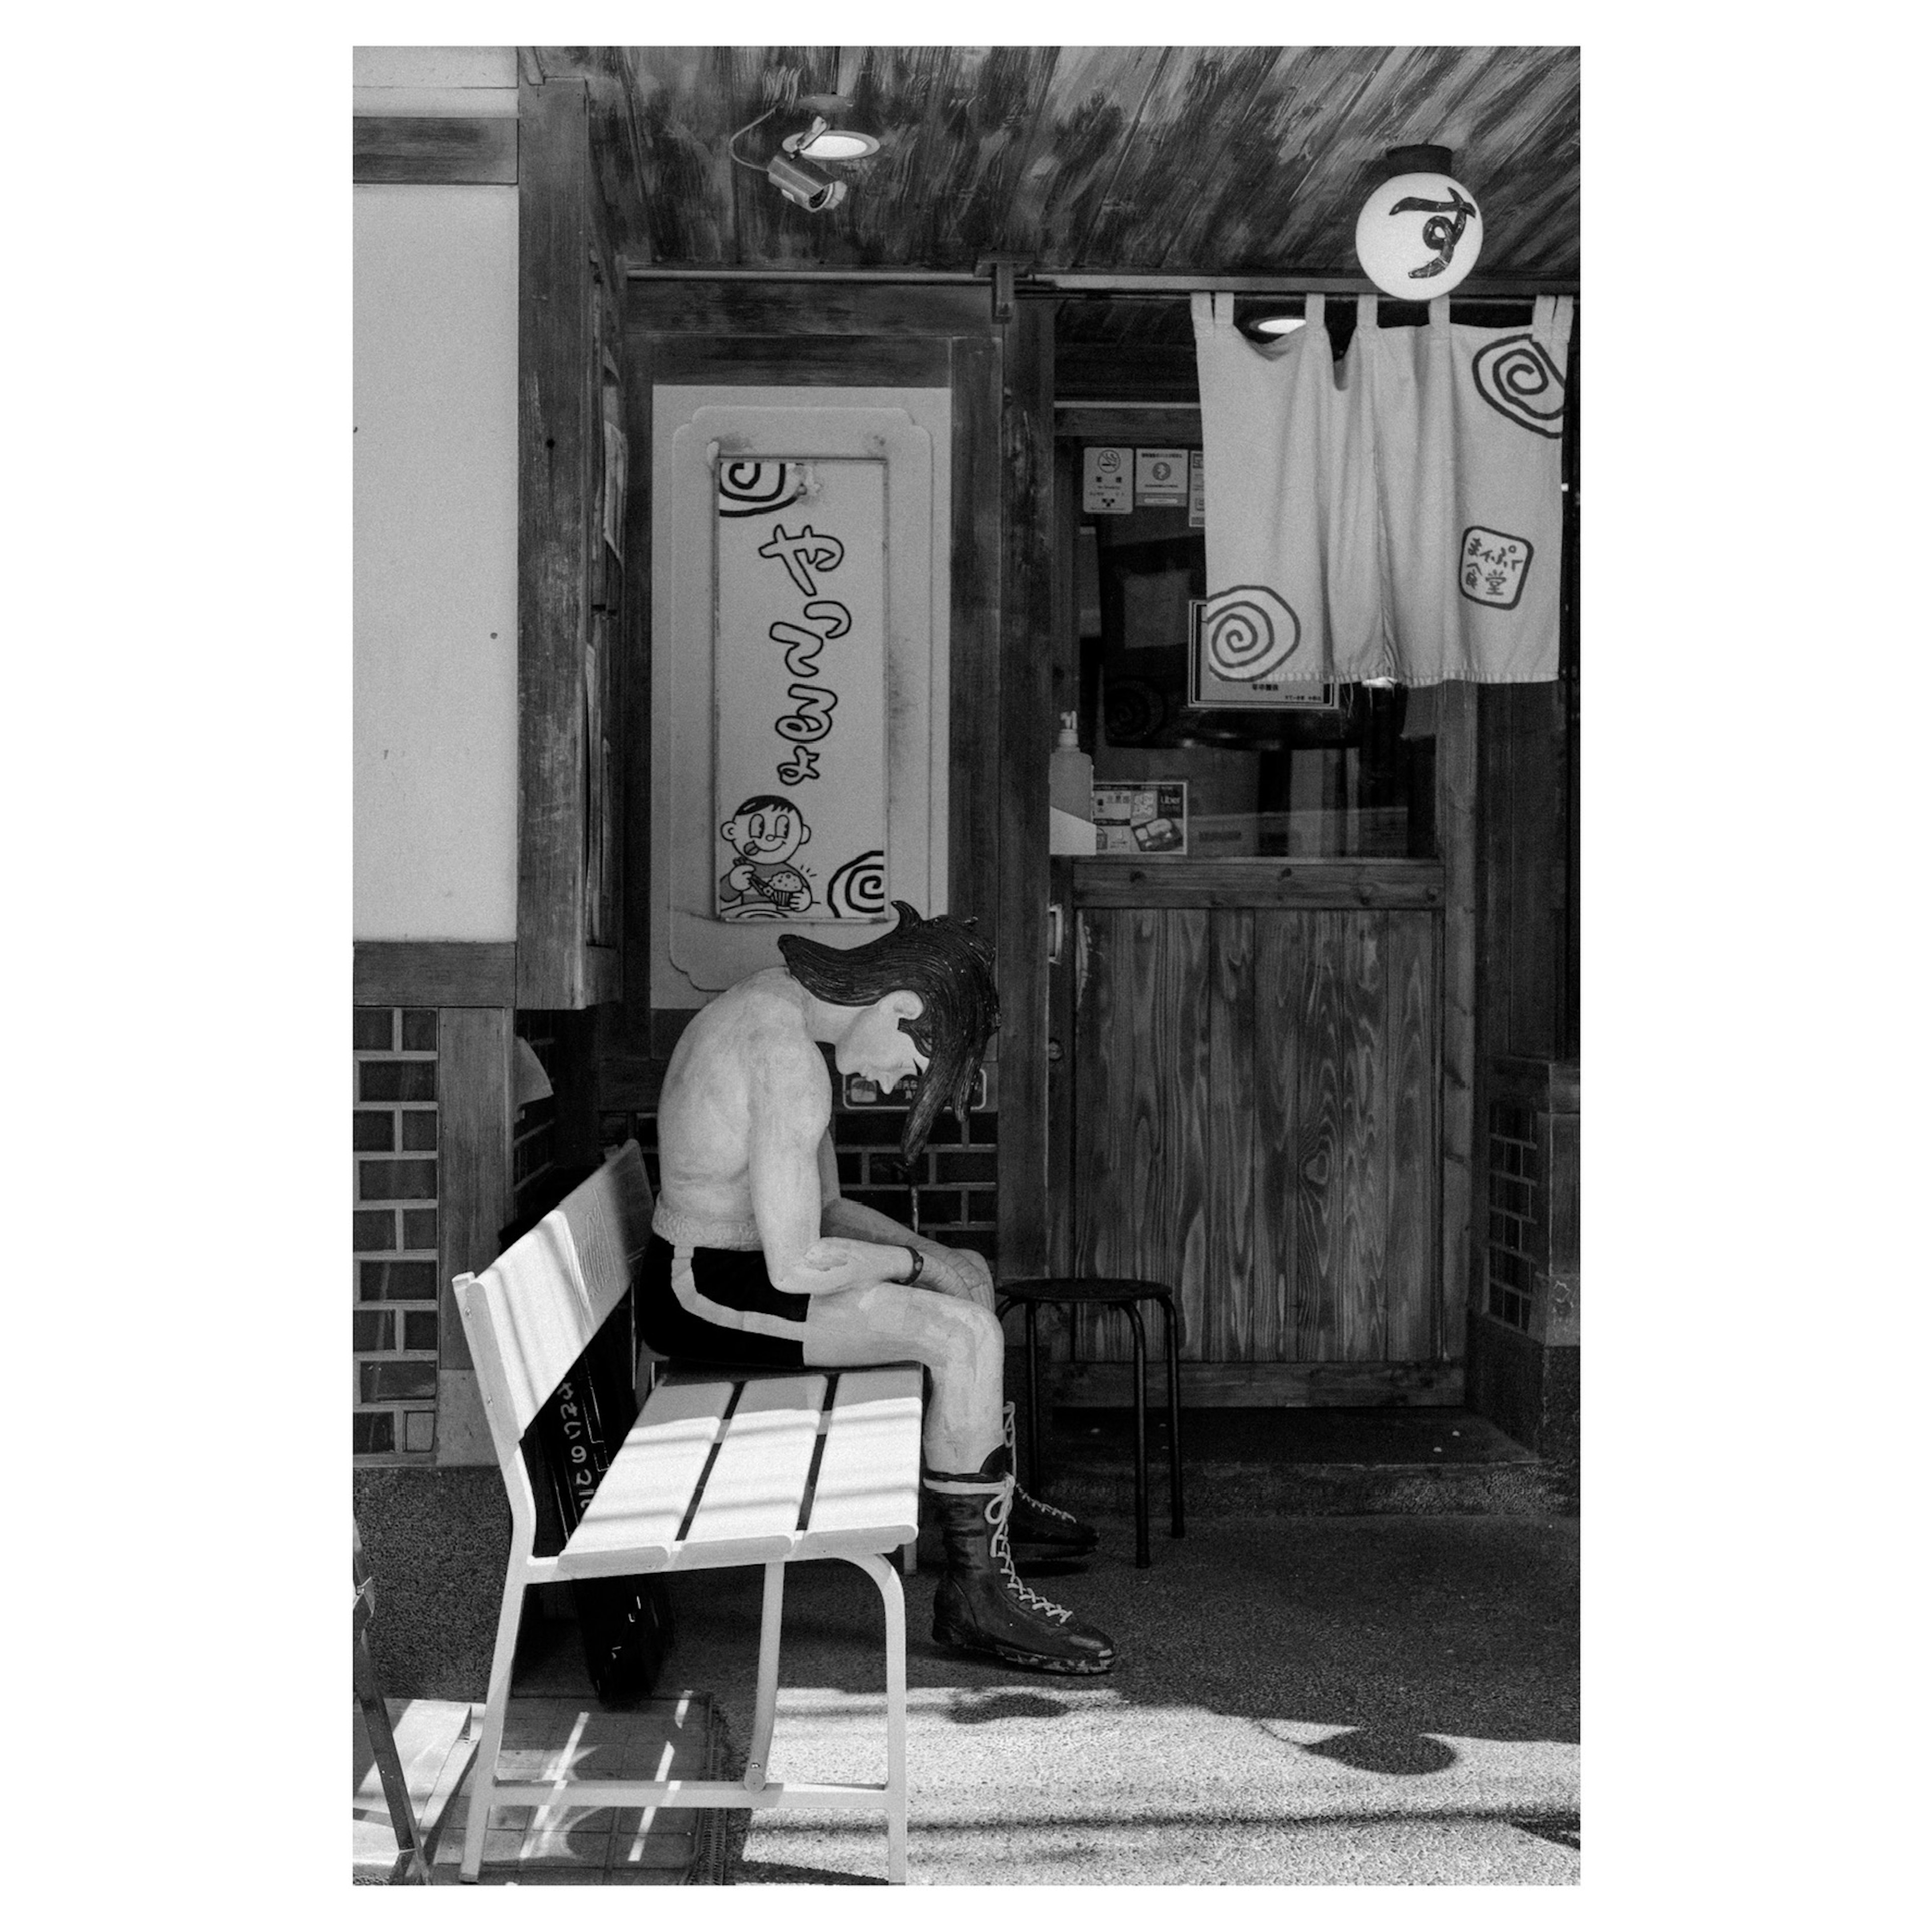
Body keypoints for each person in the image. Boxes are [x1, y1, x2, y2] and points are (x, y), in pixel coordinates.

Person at [639, 901, 1115, 1675]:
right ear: (900, 1007)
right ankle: (975, 1594)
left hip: (748, 1261)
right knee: (963, 1335)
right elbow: (798, 1267)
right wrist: (915, 1268)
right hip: (702, 1284)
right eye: (916, 1068)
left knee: (971, 1278)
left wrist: (934, 1254)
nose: (897, 1083)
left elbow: (822, 1209)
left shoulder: (783, 1007)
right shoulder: (785, 1053)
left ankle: (982, 1506)